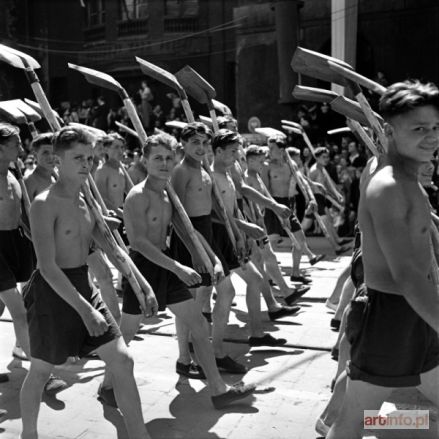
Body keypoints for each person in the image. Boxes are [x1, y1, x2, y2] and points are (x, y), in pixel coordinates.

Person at [20, 126, 156, 439]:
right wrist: (85, 311)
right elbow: (48, 266)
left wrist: (141, 283)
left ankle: (139, 435)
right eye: (78, 158)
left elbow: (105, 244)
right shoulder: (43, 203)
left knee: (122, 361)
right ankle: (28, 434)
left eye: (90, 158)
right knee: (41, 370)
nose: (87, 164)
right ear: (58, 160)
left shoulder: (85, 200)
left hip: (83, 283)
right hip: (51, 292)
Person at [110, 132, 258, 409]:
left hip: (165, 264)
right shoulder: (137, 196)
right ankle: (107, 386)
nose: (164, 163)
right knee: (128, 331)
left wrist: (211, 258)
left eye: (168, 158)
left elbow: (186, 229)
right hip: (143, 269)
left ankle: (217, 390)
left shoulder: (167, 192)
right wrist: (177, 266)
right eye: (157, 158)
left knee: (200, 326)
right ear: (145, 160)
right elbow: (139, 243)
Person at [327, 80, 439, 439]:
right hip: (392, 315)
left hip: (418, 312)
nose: (432, 137)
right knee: (354, 421)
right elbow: (406, 275)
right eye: (419, 128)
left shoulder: (404, 176)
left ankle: (400, 426)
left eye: (436, 127)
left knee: (366, 416)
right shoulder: (389, 185)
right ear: (390, 130)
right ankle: (341, 422)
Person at [0, 123, 66, 395]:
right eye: (15, 144)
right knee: (22, 312)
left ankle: (22, 349)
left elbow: (24, 213)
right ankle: (41, 376)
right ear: (1, 147)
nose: (20, 148)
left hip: (15, 243)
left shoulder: (13, 171)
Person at [262, 135, 324, 284]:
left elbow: (304, 184)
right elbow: (264, 189)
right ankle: (268, 276)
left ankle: (296, 273)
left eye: (272, 148)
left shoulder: (291, 165)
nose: (269, 151)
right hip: (273, 205)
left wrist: (312, 199)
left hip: (289, 205)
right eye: (268, 148)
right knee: (272, 242)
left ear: (282, 150)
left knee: (300, 240)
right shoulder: (266, 165)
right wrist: (274, 207)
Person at [24, 133, 56, 201]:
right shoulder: (30, 181)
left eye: (54, 152)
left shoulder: (56, 177)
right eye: (45, 153)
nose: (51, 157)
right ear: (35, 155)